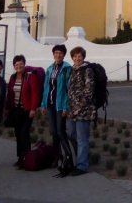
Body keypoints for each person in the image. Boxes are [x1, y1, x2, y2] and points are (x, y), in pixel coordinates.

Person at [40, 44, 74, 172]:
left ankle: (68, 157)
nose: (58, 55)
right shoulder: (50, 69)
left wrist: (66, 107)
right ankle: (57, 157)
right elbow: (46, 88)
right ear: (53, 54)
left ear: (64, 55)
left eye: (60, 53)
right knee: (54, 132)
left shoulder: (67, 69)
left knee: (60, 131)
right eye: (56, 53)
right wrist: (43, 104)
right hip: (50, 104)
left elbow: (68, 90)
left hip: (60, 106)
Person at [5, 54, 41, 168]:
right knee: (18, 134)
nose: (19, 66)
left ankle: (27, 158)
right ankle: (20, 158)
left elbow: (35, 94)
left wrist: (33, 109)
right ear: (14, 66)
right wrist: (8, 108)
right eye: (16, 64)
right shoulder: (13, 77)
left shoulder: (30, 77)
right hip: (16, 110)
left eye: (21, 64)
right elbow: (10, 94)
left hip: (27, 111)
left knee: (24, 133)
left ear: (24, 64)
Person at [66, 46, 95, 176]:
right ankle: (81, 158)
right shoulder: (72, 70)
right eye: (75, 56)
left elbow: (89, 91)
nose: (77, 58)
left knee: (82, 138)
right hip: (72, 111)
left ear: (83, 57)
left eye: (80, 56)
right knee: (72, 135)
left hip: (83, 111)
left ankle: (82, 166)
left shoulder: (87, 70)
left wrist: (79, 107)